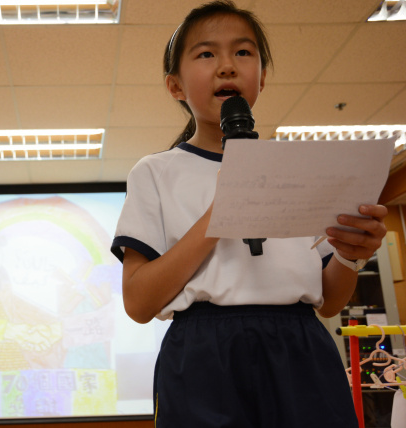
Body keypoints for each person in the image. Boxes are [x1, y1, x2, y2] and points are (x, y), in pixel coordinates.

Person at [110, 1, 388, 427]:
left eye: (243, 52)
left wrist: (351, 254)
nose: (227, 66)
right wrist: (221, 211)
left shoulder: (303, 167)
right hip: (203, 354)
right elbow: (139, 302)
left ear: (262, 77)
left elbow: (330, 302)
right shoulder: (156, 172)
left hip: (301, 348)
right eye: (206, 53)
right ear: (175, 86)